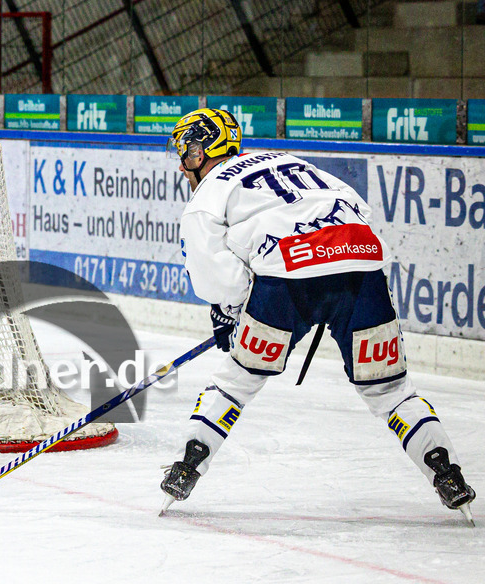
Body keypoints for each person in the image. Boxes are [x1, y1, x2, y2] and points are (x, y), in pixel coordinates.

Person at [160, 107, 475, 522]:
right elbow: (359, 213)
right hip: (362, 273)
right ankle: (446, 472)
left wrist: (233, 311)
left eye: (187, 154)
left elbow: (215, 279)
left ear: (204, 151)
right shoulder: (294, 163)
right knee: (390, 390)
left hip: (289, 283)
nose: (184, 167)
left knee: (237, 382)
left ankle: (185, 470)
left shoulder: (207, 195)